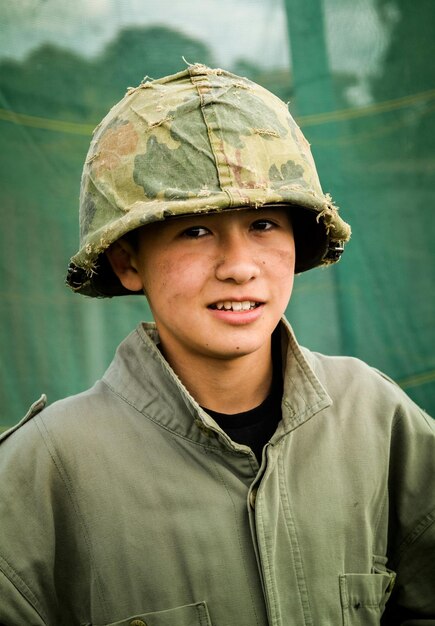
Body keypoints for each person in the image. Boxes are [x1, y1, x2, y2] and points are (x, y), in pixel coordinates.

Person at [0, 64, 434, 626]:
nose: (238, 267)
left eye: (263, 224)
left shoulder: (374, 417)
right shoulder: (48, 468)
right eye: (196, 230)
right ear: (127, 260)